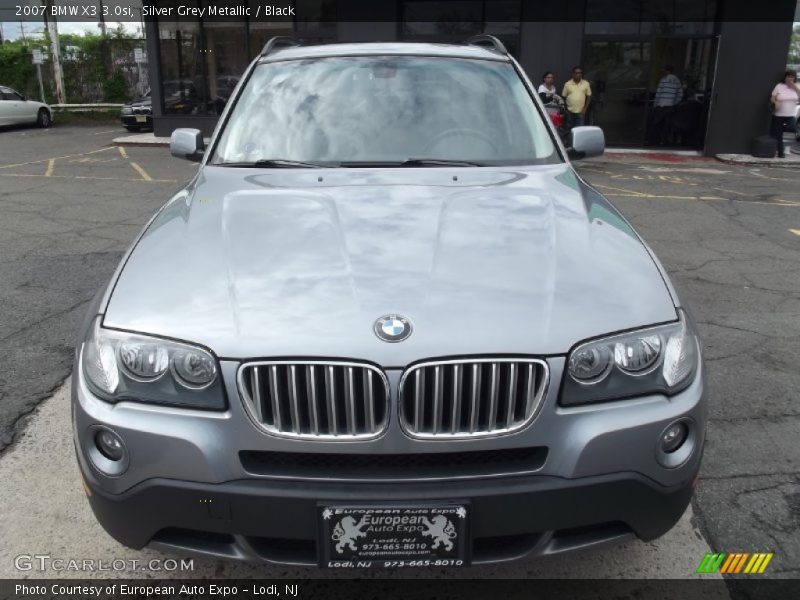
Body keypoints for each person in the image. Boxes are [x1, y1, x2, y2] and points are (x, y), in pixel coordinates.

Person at [649, 65, 683, 145]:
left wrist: (655, 104)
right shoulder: (677, 80)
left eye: (664, 70)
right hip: (670, 106)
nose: (662, 71)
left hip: (661, 105)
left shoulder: (663, 80)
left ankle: (654, 140)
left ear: (667, 71)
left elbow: (658, 93)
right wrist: (674, 103)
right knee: (667, 125)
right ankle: (664, 141)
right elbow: (680, 94)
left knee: (656, 124)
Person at [770, 69, 800, 158]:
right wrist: (775, 102)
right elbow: (772, 98)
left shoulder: (797, 87)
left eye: (792, 77)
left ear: (794, 78)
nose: (790, 79)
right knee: (778, 136)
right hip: (778, 115)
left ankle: (779, 129)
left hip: (790, 115)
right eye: (788, 77)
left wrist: (795, 87)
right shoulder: (779, 86)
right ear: (785, 77)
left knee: (793, 128)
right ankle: (781, 153)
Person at [562, 66, 591, 132]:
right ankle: (567, 141)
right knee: (568, 129)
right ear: (573, 74)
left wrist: (585, 108)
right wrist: (566, 109)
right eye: (577, 73)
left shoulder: (586, 83)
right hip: (570, 111)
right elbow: (563, 96)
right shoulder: (567, 84)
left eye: (580, 73)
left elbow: (589, 96)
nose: (579, 74)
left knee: (579, 130)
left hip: (581, 112)